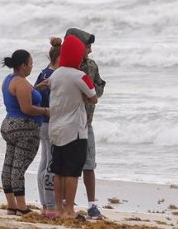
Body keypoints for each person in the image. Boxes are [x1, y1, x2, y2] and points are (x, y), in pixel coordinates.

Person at [48, 35, 98, 219]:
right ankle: (69, 208)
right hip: (75, 131)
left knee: (58, 171)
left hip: (56, 128)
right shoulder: (80, 76)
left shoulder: (55, 74)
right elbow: (94, 97)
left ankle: (58, 209)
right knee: (72, 172)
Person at [0, 49, 49, 215]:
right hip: (24, 128)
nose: (31, 67)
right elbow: (26, 108)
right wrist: (45, 111)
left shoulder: (9, 80)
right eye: (30, 64)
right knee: (18, 168)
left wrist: (36, 88)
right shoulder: (21, 83)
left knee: (9, 165)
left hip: (9, 125)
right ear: (22, 65)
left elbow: (21, 96)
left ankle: (11, 205)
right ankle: (22, 207)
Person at [65, 28, 106, 219]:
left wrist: (91, 92)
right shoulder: (64, 67)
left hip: (86, 122)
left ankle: (92, 205)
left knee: (89, 165)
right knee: (66, 166)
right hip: (67, 122)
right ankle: (64, 203)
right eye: (87, 46)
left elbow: (100, 85)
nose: (90, 50)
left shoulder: (91, 65)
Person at [34, 37, 61, 218]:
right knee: (51, 163)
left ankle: (44, 203)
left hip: (41, 122)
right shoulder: (56, 76)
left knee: (44, 162)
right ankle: (50, 206)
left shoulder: (43, 73)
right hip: (50, 122)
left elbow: (33, 92)